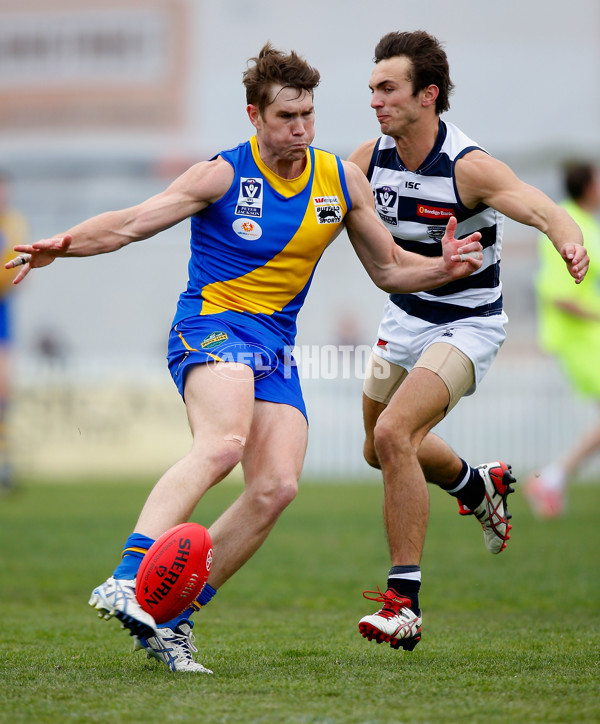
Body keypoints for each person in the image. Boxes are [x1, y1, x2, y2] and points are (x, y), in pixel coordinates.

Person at [6, 44, 484, 673]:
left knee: (276, 488)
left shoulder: (340, 179)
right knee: (224, 442)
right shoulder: (222, 175)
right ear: (254, 115)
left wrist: (441, 268)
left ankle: (171, 617)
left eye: (308, 115)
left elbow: (389, 268)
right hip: (210, 326)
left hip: (275, 346)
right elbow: (132, 223)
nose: (300, 129)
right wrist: (64, 245)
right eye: (287, 117)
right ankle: (126, 576)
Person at [348, 31, 589, 652]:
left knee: (394, 435)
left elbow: (536, 204)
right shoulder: (367, 160)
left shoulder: (467, 166)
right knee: (377, 449)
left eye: (387, 88)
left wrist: (567, 236)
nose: (374, 100)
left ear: (427, 96)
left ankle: (404, 604)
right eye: (372, 88)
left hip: (469, 324)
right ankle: (476, 486)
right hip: (403, 318)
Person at [524, 162, 600, 518]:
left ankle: (552, 479)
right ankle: (551, 479)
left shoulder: (586, 223)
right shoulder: (566, 225)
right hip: (580, 337)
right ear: (586, 186)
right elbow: (557, 294)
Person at [0, 171, 28, 491]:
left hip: (2, 310)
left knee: (3, 389)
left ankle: (4, 463)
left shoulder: (13, 224)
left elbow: (18, 269)